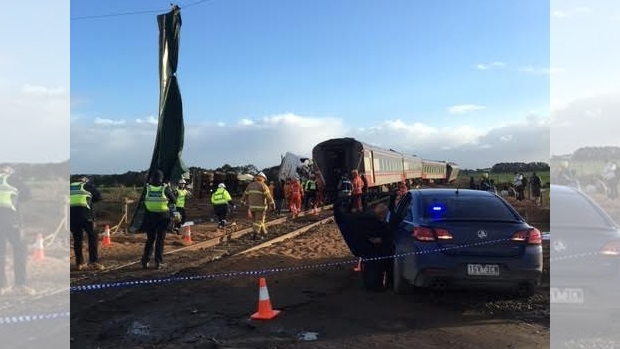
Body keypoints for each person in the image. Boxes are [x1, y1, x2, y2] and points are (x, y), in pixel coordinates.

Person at [0, 165, 34, 295]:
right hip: (13, 221)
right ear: (9, 170)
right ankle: (20, 284)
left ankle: (2, 286)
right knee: (19, 251)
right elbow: (28, 195)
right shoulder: (14, 179)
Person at [141, 170, 176, 270]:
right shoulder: (165, 188)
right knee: (160, 240)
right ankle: (158, 262)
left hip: (149, 216)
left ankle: (145, 261)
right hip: (163, 217)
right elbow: (174, 200)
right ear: (161, 178)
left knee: (150, 240)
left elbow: (143, 200)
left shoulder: (147, 188)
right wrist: (169, 188)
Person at [70, 175, 104, 271]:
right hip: (87, 216)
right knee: (93, 237)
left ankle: (79, 263)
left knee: (77, 239)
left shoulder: (70, 187)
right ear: (85, 180)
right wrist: (90, 200)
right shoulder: (87, 186)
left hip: (72, 217)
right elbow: (99, 197)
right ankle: (93, 262)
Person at [241, 172, 275, 240]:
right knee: (259, 220)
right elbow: (269, 197)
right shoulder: (263, 185)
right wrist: (272, 205)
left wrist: (242, 202)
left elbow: (245, 194)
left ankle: (264, 233)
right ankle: (255, 234)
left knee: (255, 221)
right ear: (263, 179)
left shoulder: (250, 185)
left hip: (252, 207)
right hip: (261, 207)